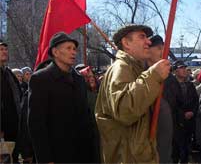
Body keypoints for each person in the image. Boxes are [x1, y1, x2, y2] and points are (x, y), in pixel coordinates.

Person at [95, 24, 170, 163]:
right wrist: (153, 76)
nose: (148, 41)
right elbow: (124, 110)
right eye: (142, 37)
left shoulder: (134, 69)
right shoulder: (121, 68)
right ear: (126, 43)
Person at [28, 32, 96, 163]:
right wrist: (45, 159)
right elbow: (37, 124)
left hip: (83, 153)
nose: (73, 52)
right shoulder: (40, 79)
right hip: (57, 154)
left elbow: (86, 117)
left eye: (74, 49)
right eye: (68, 48)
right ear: (55, 52)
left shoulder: (79, 79)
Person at [146, 35, 184, 163]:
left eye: (164, 48)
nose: (163, 52)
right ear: (147, 50)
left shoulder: (171, 79)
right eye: (158, 48)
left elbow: (179, 103)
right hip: (146, 134)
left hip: (170, 132)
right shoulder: (139, 75)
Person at [0, 39, 22, 163]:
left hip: (13, 127)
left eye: (5, 49)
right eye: (1, 49)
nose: (4, 52)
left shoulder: (8, 73)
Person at [173, 60, 199, 163]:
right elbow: (172, 104)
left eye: (185, 68)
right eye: (181, 68)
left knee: (186, 149)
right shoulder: (171, 86)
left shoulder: (190, 85)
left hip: (189, 122)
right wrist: (182, 114)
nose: (184, 70)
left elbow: (196, 101)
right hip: (177, 123)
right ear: (175, 71)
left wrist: (192, 112)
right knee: (176, 151)